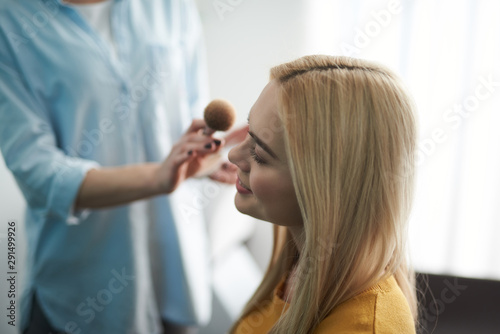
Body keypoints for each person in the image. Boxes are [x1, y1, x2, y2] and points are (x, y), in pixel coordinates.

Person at [0, 0, 242, 333]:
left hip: (174, 277)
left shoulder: (171, 6)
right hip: (80, 295)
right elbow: (41, 176)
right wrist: (158, 177)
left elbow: (189, 116)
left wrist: (206, 161)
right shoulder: (9, 21)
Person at [227, 55, 418, 333]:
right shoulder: (299, 267)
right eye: (249, 133)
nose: (233, 155)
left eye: (258, 153)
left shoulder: (364, 328)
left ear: (323, 185)